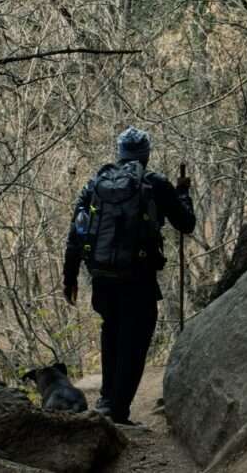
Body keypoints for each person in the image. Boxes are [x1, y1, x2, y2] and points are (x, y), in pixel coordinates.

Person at [62, 126, 195, 425]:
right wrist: (183, 193)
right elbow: (186, 224)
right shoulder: (155, 183)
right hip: (139, 279)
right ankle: (117, 411)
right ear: (146, 155)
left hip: (102, 277)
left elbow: (76, 232)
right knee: (134, 343)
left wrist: (69, 278)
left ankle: (108, 403)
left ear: (119, 154)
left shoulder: (96, 183)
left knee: (112, 334)